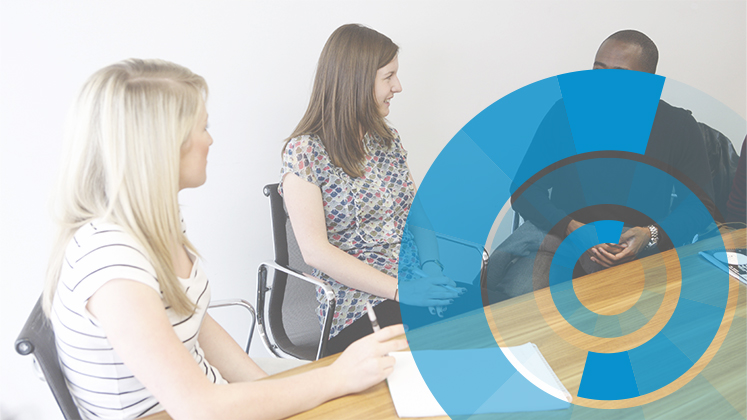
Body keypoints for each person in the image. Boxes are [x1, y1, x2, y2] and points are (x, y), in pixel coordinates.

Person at [42, 58, 407, 420]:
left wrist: (271, 389)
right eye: (202, 127)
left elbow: (195, 322)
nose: (210, 139)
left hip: (214, 396)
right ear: (162, 145)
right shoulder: (112, 263)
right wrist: (334, 378)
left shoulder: (152, 225)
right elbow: (200, 408)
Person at [485, 30, 716, 302]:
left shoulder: (678, 126)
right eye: (598, 70)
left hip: (637, 248)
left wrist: (650, 234)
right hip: (563, 238)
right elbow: (524, 190)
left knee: (650, 317)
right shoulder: (565, 113)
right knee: (517, 303)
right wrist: (570, 227)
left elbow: (701, 206)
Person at [280, 24, 464, 356]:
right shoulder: (305, 152)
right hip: (355, 303)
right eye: (388, 76)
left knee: (491, 311)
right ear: (357, 80)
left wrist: (432, 271)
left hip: (411, 282)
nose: (398, 87)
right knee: (441, 342)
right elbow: (315, 252)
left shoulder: (386, 140)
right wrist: (401, 291)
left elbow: (418, 216)